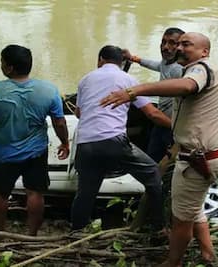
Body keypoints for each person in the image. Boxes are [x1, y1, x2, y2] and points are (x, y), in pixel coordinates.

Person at [100, 33, 218, 266]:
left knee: (180, 218)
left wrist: (134, 91)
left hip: (198, 159)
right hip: (204, 155)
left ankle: (173, 262)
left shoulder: (201, 69)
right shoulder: (192, 68)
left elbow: (187, 86)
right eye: (177, 44)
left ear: (204, 51)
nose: (179, 48)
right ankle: (208, 255)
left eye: (186, 44)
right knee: (193, 208)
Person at [0, 44, 70, 236]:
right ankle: (31, 235)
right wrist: (64, 142)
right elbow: (60, 122)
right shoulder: (49, 90)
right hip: (36, 152)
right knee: (35, 193)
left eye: (2, 62)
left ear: (9, 68)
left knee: (0, 193)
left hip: (2, 154)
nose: (1, 66)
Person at [71, 45, 171, 231]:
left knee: (85, 193)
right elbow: (152, 114)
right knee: (153, 175)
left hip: (85, 144)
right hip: (113, 142)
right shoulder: (128, 79)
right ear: (122, 62)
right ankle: (157, 226)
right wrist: (177, 127)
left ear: (100, 59)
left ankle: (77, 232)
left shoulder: (86, 79)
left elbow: (79, 113)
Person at [123, 27, 184, 163]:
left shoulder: (179, 70)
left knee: (160, 160)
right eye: (163, 42)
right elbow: (156, 65)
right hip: (161, 122)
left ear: (180, 47)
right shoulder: (166, 63)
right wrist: (133, 58)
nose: (165, 47)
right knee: (152, 156)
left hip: (172, 127)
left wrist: (136, 91)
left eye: (172, 43)